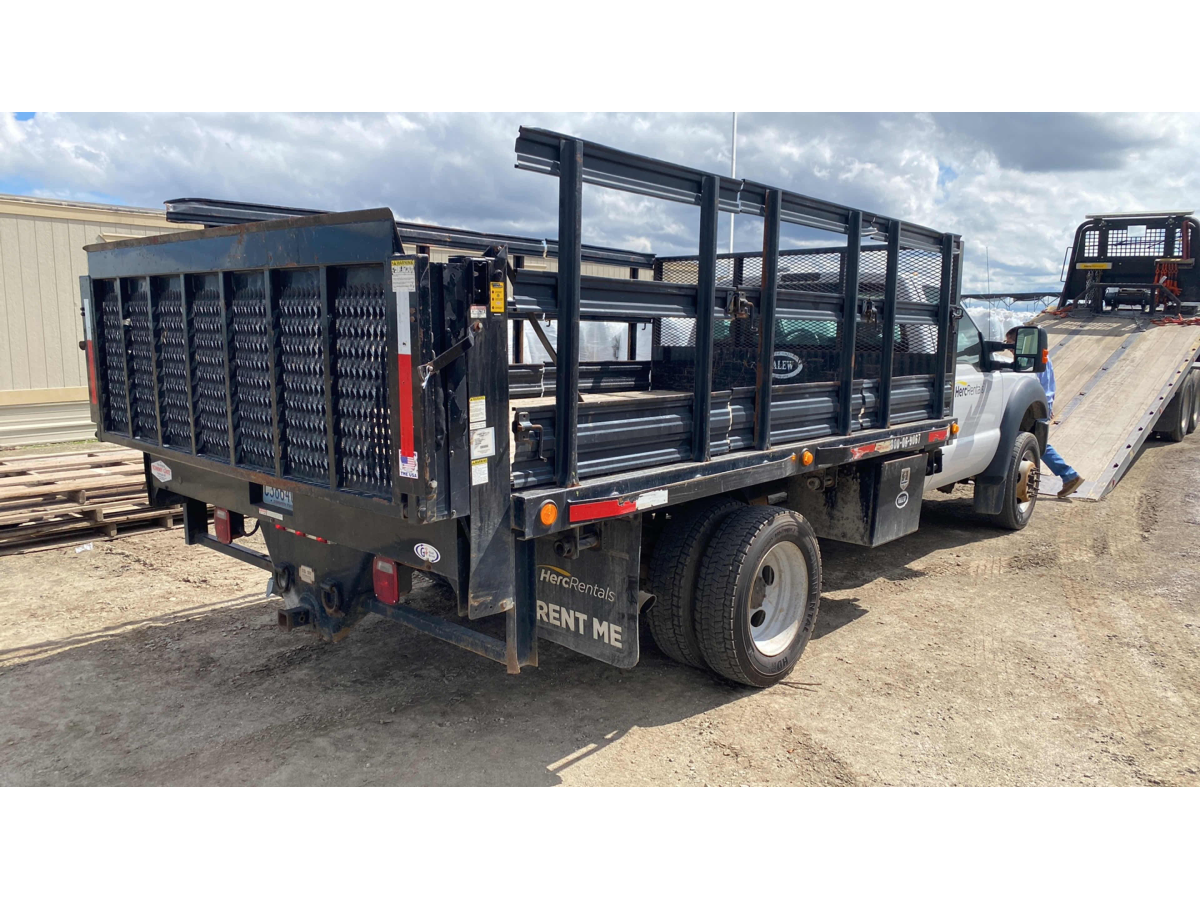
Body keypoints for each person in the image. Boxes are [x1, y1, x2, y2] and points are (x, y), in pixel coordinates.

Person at [1007, 327, 1084, 498]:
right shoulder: (1042, 358)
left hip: (1033, 405)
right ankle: (1068, 475)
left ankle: (1069, 475)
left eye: (1010, 343)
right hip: (1040, 403)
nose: (1008, 348)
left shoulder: (1029, 360)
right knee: (1033, 440)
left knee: (1032, 441)